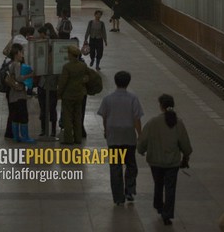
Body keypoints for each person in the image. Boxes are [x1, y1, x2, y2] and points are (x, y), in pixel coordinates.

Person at [137, 94, 193, 226]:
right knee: (170, 188)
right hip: (172, 162)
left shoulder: (153, 122)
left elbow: (143, 140)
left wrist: (141, 150)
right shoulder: (178, 123)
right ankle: (167, 215)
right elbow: (185, 143)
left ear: (161, 106)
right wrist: (186, 154)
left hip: (155, 161)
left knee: (158, 184)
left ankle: (158, 205)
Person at [97, 70, 144, 205]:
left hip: (113, 137)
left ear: (116, 82)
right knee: (131, 164)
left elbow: (105, 117)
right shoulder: (133, 99)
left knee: (115, 166)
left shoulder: (108, 99)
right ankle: (129, 190)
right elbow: (136, 118)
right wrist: (139, 134)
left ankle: (118, 197)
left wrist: (106, 131)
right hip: (129, 136)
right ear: (128, 83)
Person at [57, 44, 89, 144]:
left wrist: (58, 94)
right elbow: (87, 77)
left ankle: (68, 139)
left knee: (67, 117)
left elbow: (63, 82)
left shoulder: (67, 67)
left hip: (68, 96)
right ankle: (78, 138)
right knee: (77, 117)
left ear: (71, 55)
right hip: (79, 95)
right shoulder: (83, 66)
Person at [8, 43, 35, 143]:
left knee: (16, 116)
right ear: (16, 54)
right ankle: (25, 137)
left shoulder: (11, 64)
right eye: (21, 52)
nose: (22, 54)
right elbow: (19, 78)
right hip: (19, 95)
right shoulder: (17, 64)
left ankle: (16, 136)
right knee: (23, 116)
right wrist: (29, 75)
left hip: (13, 95)